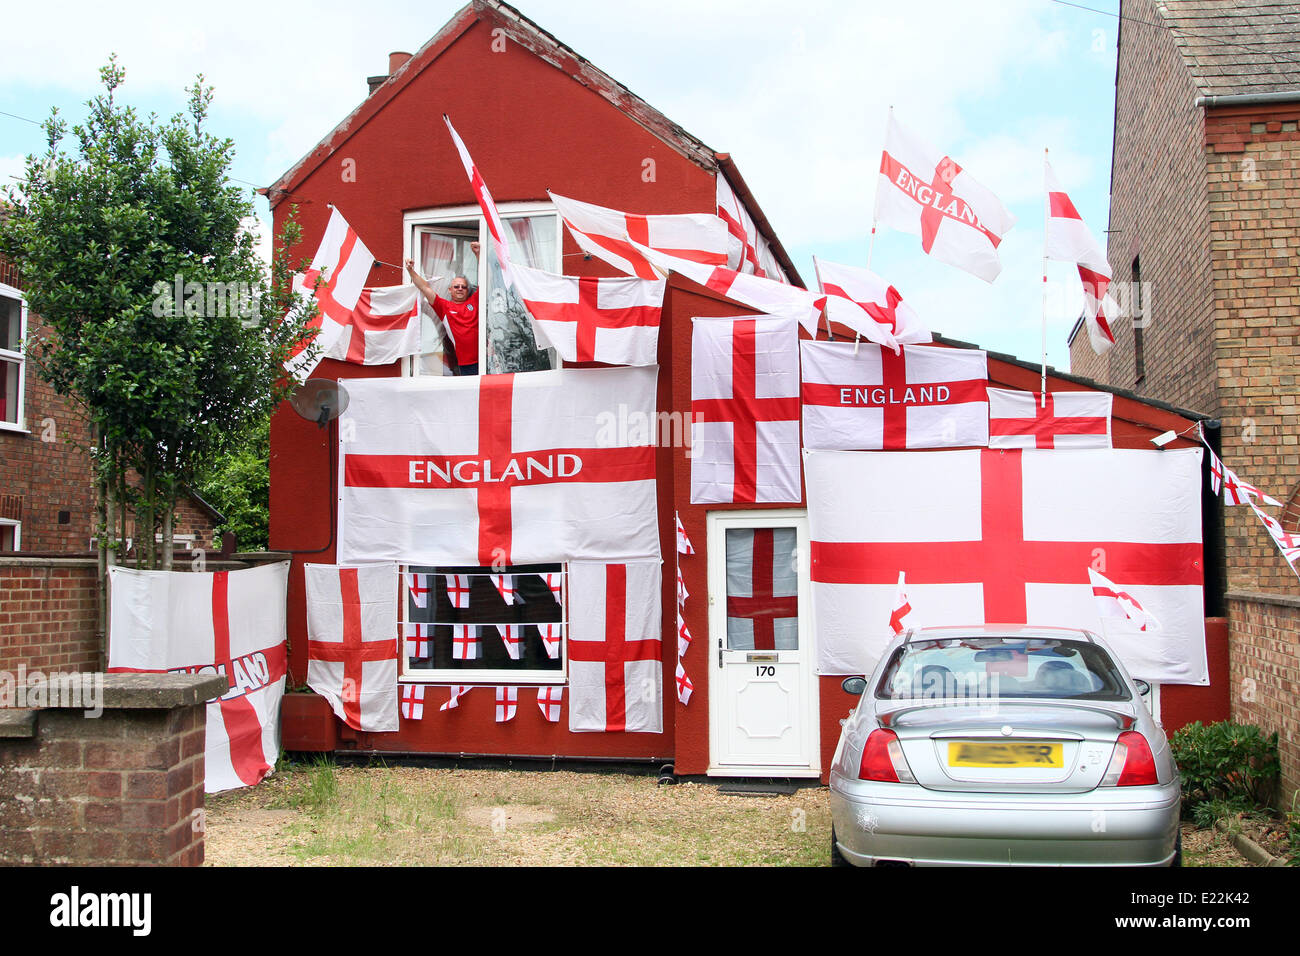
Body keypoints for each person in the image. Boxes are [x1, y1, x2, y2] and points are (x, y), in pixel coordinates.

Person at [405, 252, 479, 375]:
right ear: (450, 290)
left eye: (463, 287)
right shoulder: (444, 307)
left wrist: (478, 255)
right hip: (466, 363)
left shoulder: (475, 301)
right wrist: (410, 270)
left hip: (485, 359)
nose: (460, 288)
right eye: (456, 287)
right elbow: (425, 288)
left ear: (468, 290)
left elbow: (486, 277)